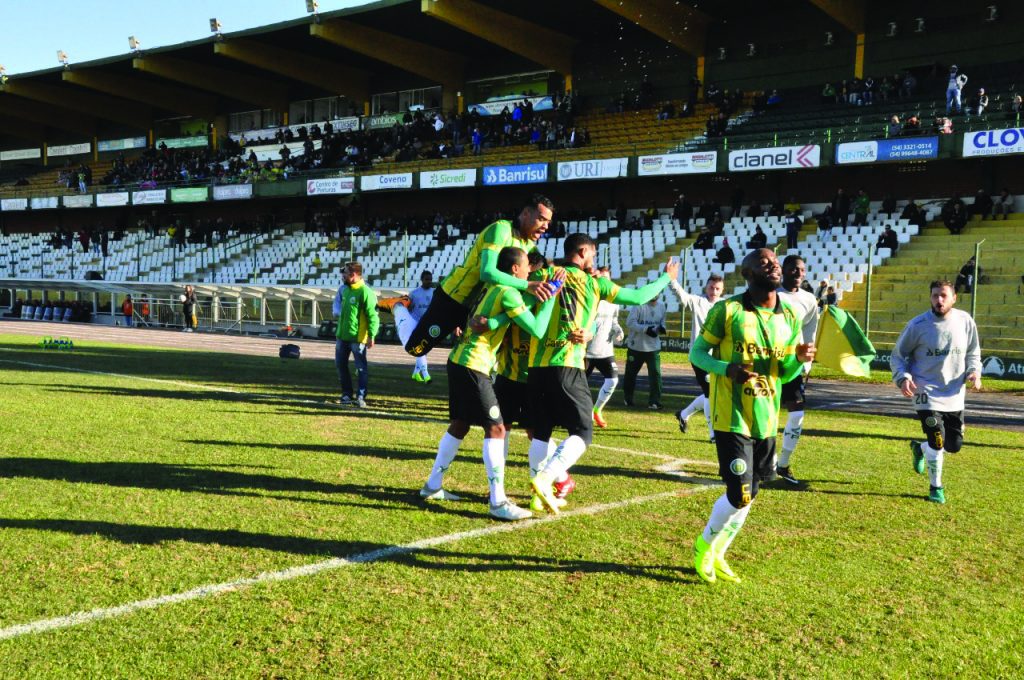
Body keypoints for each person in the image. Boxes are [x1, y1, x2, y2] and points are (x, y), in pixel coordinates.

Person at [525, 234, 679, 514]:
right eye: (592, 255)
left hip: (536, 367)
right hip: (567, 365)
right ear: (583, 251)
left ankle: (538, 496)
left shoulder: (545, 274)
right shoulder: (595, 283)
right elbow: (638, 296)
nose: (593, 260)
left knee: (541, 433)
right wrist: (666, 278)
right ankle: (545, 479)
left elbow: (514, 291)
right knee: (582, 433)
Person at [689, 249, 815, 584]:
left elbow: (784, 374)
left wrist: (798, 359)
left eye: (775, 261)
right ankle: (703, 546)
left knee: (752, 495)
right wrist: (726, 369)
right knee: (739, 493)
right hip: (730, 415)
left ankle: (719, 552)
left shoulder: (789, 316)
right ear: (746, 273)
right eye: (764, 262)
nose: (774, 265)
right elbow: (697, 354)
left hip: (766, 416)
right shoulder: (727, 310)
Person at [420, 247, 559, 521]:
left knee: (460, 424)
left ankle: (432, 486)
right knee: (496, 428)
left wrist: (497, 319)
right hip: (474, 364)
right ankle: (498, 501)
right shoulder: (508, 293)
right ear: (515, 270)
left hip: (459, 360)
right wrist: (551, 297)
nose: (529, 272)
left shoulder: (491, 287)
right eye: (525, 267)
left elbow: (505, 314)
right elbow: (538, 329)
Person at [384, 195, 556, 358]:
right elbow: (487, 272)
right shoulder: (501, 230)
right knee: (416, 349)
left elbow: (546, 265)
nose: (546, 226)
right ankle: (399, 306)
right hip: (453, 299)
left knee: (483, 352)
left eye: (548, 222)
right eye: (541, 219)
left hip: (478, 306)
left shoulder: (528, 245)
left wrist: (564, 269)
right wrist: (527, 286)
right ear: (526, 213)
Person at [890, 280, 981, 504]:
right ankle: (936, 488)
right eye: (934, 296)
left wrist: (973, 372)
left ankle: (920, 448)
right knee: (937, 440)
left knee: (953, 446)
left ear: (953, 298)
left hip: (954, 394)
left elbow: (973, 352)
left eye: (943, 295)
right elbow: (898, 356)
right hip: (925, 392)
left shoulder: (965, 321)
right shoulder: (917, 325)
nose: (938, 300)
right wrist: (903, 378)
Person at [772, 255, 820, 486]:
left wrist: (807, 359)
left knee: (797, 413)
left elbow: (810, 328)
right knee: (767, 415)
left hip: (794, 364)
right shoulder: (772, 295)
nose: (799, 273)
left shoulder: (810, 300)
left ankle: (783, 463)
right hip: (770, 363)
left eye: (802, 270)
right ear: (784, 271)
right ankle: (767, 462)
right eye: (794, 269)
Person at [671, 274, 725, 440]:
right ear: (705, 287)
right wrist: (671, 280)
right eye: (711, 287)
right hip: (700, 356)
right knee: (710, 393)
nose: (713, 291)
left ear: (722, 290)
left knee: (713, 391)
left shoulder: (725, 305)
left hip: (718, 357)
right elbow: (681, 296)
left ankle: (684, 414)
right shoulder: (697, 301)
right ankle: (713, 433)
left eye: (717, 288)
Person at [332, 262, 379, 408]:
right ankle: (346, 394)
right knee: (340, 365)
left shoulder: (366, 292)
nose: (343, 276)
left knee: (361, 368)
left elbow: (373, 316)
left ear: (353, 275)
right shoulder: (345, 290)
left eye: (345, 273)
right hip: (342, 337)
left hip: (357, 338)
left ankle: (360, 396)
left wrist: (372, 335)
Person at [585, 266, 624, 428]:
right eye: (602, 278)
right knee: (575, 386)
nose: (605, 281)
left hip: (605, 351)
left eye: (607, 278)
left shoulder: (614, 302)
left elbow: (614, 321)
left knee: (613, 380)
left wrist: (618, 330)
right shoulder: (590, 297)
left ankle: (597, 410)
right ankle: (567, 414)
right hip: (585, 351)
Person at [623, 297, 667, 410]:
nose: (655, 295)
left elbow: (663, 322)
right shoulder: (639, 305)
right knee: (630, 375)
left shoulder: (662, 306)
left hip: (653, 347)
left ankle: (654, 402)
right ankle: (628, 399)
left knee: (656, 375)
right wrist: (646, 329)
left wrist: (662, 328)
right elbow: (630, 323)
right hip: (636, 346)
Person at [408, 270, 435, 383]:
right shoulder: (414, 293)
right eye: (426, 279)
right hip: (416, 324)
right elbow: (409, 308)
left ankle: (415, 374)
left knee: (424, 349)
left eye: (430, 279)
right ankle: (426, 374)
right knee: (420, 349)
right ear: (422, 280)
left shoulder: (434, 292)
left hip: (428, 324)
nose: (429, 281)